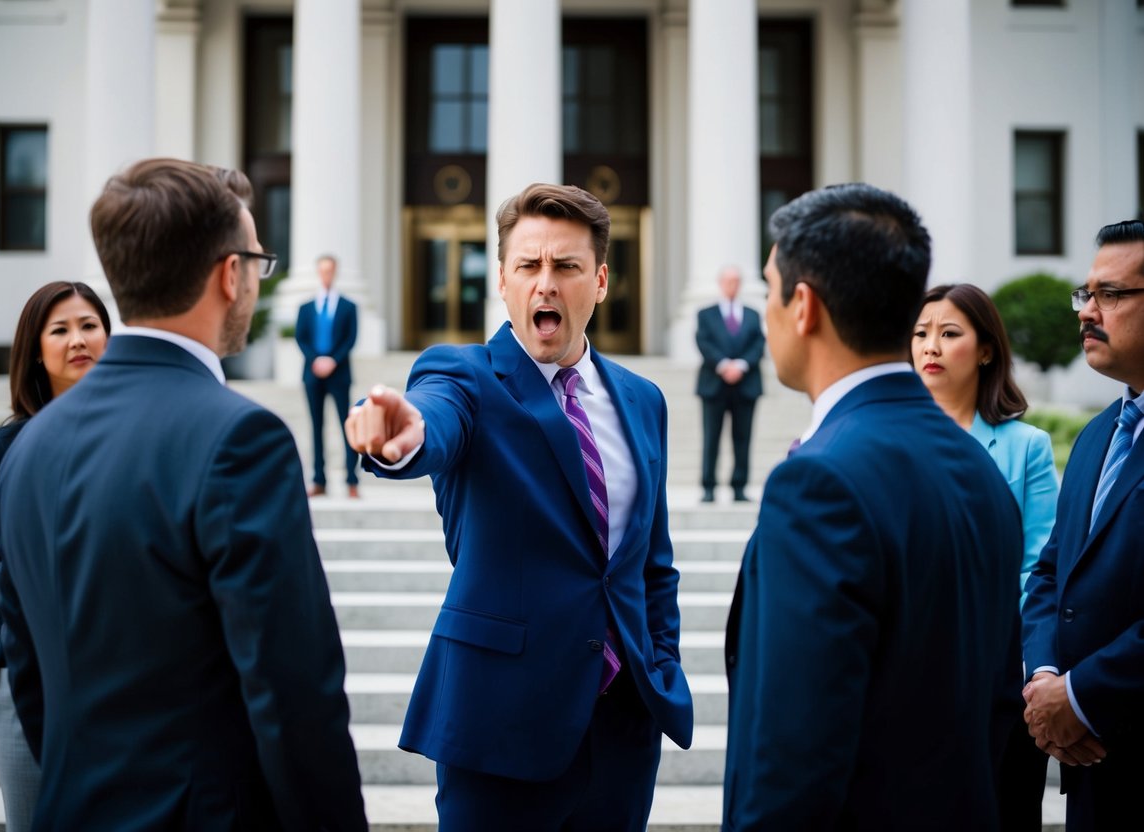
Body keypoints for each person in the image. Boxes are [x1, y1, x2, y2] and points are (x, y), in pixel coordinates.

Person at [0, 158, 367, 831]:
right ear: (230, 274)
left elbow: (32, 678)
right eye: (256, 260)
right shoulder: (239, 438)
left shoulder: (28, 448)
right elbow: (294, 697)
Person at [344, 183, 692, 831]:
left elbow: (651, 564)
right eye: (528, 266)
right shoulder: (462, 375)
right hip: (499, 723)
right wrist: (401, 436)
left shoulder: (643, 400)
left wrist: (659, 665)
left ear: (601, 280)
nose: (546, 284)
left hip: (622, 728)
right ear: (501, 280)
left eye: (566, 267)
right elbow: (434, 424)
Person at [722, 183, 1023, 830]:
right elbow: (997, 706)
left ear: (801, 306)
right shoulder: (980, 468)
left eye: (766, 287)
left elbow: (792, 758)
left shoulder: (818, 483)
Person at [912, 282, 1060, 831]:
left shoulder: (1028, 446)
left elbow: (1039, 564)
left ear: (987, 348)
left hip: (1000, 675)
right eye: (921, 333)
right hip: (911, 673)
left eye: (949, 333)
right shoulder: (889, 440)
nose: (930, 346)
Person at [0, 281, 110, 832]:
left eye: (89, 325)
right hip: (25, 674)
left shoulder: (136, 435)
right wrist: (54, 602)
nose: (78, 339)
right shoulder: (3, 447)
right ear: (35, 349)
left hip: (123, 677)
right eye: (60, 329)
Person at [1021, 218, 1144, 831]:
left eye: (1112, 295)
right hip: (1089, 768)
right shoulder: (1098, 435)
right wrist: (1045, 679)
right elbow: (1051, 571)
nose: (1087, 312)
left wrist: (1080, 696)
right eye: (1085, 294)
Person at [695, 265, 764, 502]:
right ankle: (708, 487)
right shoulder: (706, 314)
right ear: (721, 283)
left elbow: (758, 344)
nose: (732, 285)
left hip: (746, 385)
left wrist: (741, 365)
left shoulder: (754, 314)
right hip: (714, 384)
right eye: (728, 281)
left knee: (743, 438)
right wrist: (724, 365)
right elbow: (703, 342)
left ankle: (739, 486)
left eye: (736, 281)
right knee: (711, 437)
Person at [296, 253, 360, 498]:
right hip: (313, 374)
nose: (326, 274)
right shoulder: (306, 307)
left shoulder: (348, 306)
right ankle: (319, 480)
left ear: (335, 272)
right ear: (317, 272)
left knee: (347, 425)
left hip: (339, 372)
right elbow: (301, 338)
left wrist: (333, 360)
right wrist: (316, 360)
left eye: (329, 270)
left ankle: (351, 480)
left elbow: (350, 338)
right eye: (322, 270)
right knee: (316, 426)